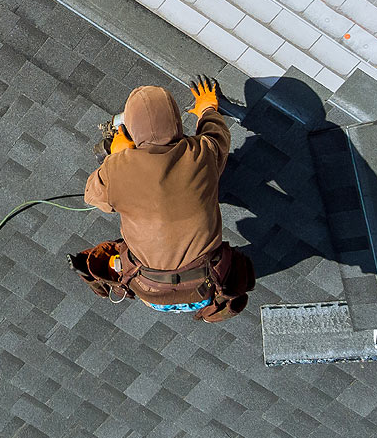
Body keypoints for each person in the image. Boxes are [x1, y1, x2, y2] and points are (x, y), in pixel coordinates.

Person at [68, 76, 254, 322]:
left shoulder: (117, 169)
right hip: (206, 288)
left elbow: (93, 196)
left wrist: (119, 155)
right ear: (175, 121)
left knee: (108, 253)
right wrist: (207, 108)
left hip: (149, 292)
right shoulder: (203, 152)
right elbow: (217, 134)